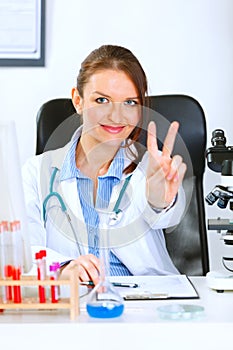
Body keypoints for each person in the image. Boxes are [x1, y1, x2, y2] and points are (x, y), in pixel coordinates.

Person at [22, 44, 187, 285]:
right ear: (78, 101)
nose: (116, 116)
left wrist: (160, 201)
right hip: (75, 302)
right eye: (102, 100)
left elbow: (168, 216)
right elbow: (26, 251)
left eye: (130, 102)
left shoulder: (150, 167)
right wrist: (63, 268)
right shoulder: (36, 172)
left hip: (145, 304)